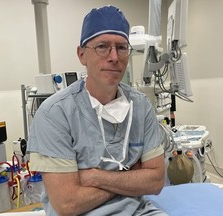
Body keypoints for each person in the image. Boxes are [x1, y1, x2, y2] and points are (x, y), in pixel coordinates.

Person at [27, 5, 168, 216]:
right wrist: (132, 175)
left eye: (121, 47)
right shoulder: (54, 113)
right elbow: (68, 204)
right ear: (82, 55)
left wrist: (95, 177)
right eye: (102, 46)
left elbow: (156, 182)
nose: (114, 57)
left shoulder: (141, 106)